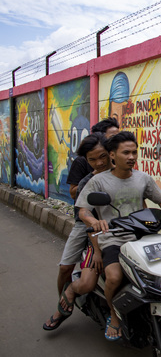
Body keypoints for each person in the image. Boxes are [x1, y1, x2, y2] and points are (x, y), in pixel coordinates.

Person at [76, 131, 161, 340]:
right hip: (114, 238)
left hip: (143, 236)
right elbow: (83, 210)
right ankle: (114, 313)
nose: (131, 157)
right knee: (114, 276)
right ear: (112, 155)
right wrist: (94, 222)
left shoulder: (143, 178)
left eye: (134, 152)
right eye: (126, 152)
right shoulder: (98, 182)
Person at [43, 133, 113, 330]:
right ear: (86, 160)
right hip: (87, 224)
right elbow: (84, 214)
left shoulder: (124, 173)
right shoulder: (86, 182)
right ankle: (64, 303)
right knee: (66, 267)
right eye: (92, 159)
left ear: (110, 153)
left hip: (115, 225)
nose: (99, 163)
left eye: (103, 157)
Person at [66, 117, 120, 200]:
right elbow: (73, 194)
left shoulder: (118, 160)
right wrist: (94, 176)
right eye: (113, 137)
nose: (99, 163)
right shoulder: (81, 162)